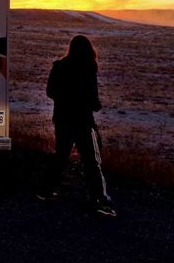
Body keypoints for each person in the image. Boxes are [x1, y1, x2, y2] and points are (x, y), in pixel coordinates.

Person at [36, 34, 116, 217]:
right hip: (83, 119)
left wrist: (65, 100)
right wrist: (94, 105)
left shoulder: (59, 66)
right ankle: (98, 198)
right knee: (91, 160)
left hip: (62, 118)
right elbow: (92, 97)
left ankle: (46, 189)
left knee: (61, 154)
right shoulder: (88, 67)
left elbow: (50, 92)